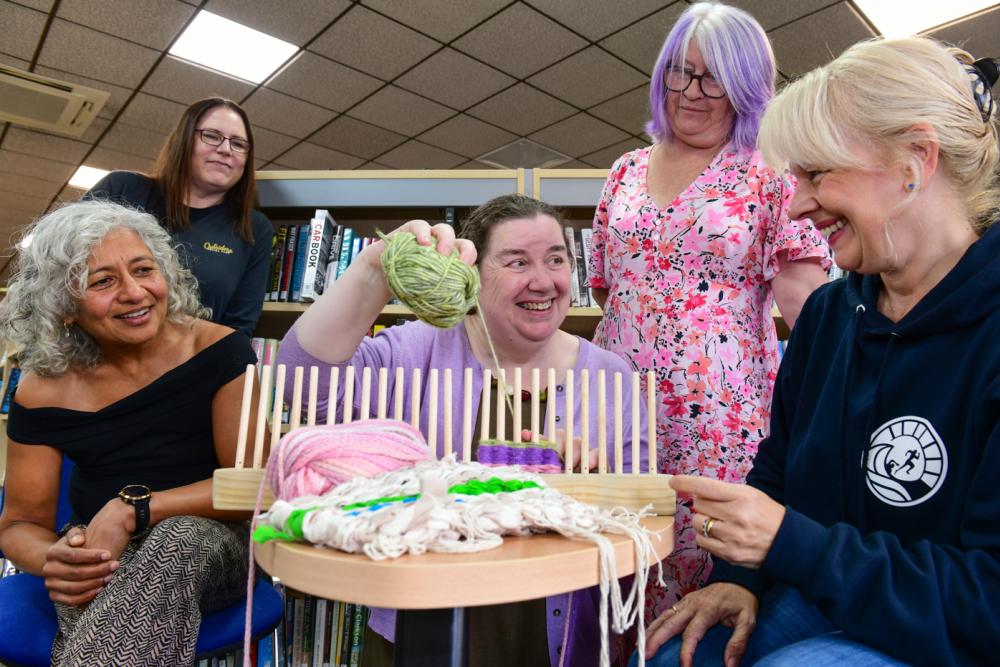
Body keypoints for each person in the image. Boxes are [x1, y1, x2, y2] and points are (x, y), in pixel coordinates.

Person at [640, 36, 1000, 667]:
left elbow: (986, 605)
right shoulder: (832, 317)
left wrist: (791, 546)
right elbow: (778, 470)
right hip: (827, 597)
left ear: (914, 160)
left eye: (817, 173)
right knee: (673, 657)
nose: (800, 204)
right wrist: (740, 578)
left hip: (948, 633)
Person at [277, 194, 649, 667]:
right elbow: (303, 386)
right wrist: (375, 269)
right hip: (418, 629)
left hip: (553, 639)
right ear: (474, 273)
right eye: (517, 261)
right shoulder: (417, 350)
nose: (543, 281)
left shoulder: (610, 377)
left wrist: (592, 486)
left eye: (556, 259)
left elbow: (641, 521)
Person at [586, 1, 831, 615]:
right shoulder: (623, 171)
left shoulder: (770, 174)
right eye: (680, 72)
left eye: (713, 77)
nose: (692, 91)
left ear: (745, 87)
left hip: (722, 425)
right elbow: (605, 290)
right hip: (620, 416)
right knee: (617, 569)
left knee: (707, 579)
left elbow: (811, 315)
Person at [0, 201, 260, 665]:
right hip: (100, 548)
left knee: (176, 539)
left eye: (143, 269)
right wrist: (57, 559)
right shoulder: (42, 389)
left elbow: (255, 486)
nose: (135, 292)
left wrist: (134, 510)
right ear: (64, 306)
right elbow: (21, 525)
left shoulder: (219, 349)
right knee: (98, 570)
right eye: (103, 282)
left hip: (216, 542)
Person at [86, 97, 274, 338]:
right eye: (212, 135)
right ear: (184, 140)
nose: (226, 149)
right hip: (94, 361)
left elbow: (238, 328)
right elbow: (56, 270)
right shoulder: (122, 189)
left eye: (238, 143)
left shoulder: (254, 228)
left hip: (187, 370)